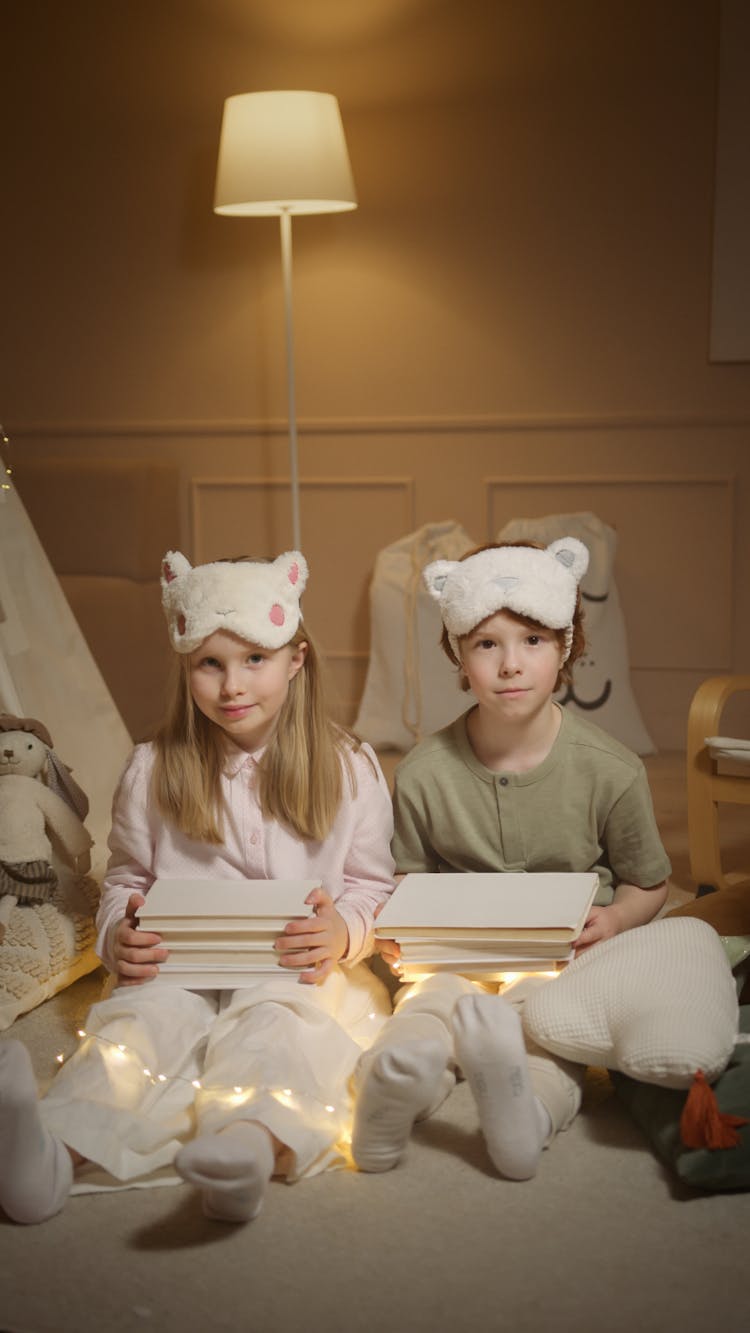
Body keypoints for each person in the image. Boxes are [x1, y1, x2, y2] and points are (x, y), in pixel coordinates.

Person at [0, 550, 395, 1225]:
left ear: (295, 661)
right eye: (209, 664)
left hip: (290, 968)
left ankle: (245, 1146)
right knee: (134, 1034)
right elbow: (125, 875)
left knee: (276, 1029)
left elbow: (371, 884)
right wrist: (119, 932)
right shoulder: (153, 767)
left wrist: (345, 930)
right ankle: (52, 1149)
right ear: (186, 668)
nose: (232, 685)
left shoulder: (349, 766)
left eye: (253, 660)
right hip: (179, 964)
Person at [351, 537, 671, 1181]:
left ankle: (526, 1114)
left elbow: (649, 884)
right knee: (429, 1002)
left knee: (547, 1029)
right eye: (486, 645)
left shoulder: (611, 769)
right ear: (459, 659)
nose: (510, 665)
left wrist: (614, 921)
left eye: (532, 641)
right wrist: (402, 933)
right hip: (457, 952)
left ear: (566, 650)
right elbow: (408, 878)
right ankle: (399, 1079)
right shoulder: (422, 772)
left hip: (557, 954)